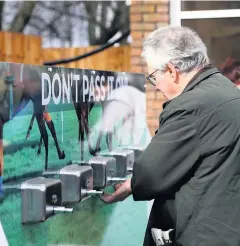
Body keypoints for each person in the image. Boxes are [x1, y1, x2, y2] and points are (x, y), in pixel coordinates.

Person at [99, 25, 240, 246]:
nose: (155, 87)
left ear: (172, 71)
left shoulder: (189, 107)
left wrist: (131, 185)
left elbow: (150, 173)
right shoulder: (226, 89)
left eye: (153, 77)